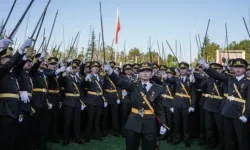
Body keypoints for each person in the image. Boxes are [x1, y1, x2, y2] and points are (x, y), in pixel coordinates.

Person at [104, 62, 167, 150]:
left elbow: (160, 109)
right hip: (134, 121)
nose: (145, 73)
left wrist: (163, 124)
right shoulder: (133, 85)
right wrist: (110, 72)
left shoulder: (158, 89)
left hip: (150, 123)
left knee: (149, 147)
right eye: (142, 71)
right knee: (131, 147)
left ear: (152, 74)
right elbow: (120, 81)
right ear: (138, 74)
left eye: (148, 71)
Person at [199, 58, 250, 150]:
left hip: (240, 114)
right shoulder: (230, 79)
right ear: (233, 69)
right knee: (229, 139)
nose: (238, 69)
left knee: (242, 139)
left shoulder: (248, 82)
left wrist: (246, 115)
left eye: (241, 67)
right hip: (227, 112)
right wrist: (206, 66)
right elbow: (217, 75)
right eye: (235, 67)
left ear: (245, 69)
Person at [0, 38, 33, 150]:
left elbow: (18, 66)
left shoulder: (12, 74)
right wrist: (20, 49)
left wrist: (24, 54)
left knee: (12, 137)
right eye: (6, 59)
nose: (9, 60)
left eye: (10, 58)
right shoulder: (2, 71)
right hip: (5, 109)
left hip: (15, 109)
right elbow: (9, 65)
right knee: (4, 138)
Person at [163, 62, 196, 147]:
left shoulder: (191, 79)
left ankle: (186, 140)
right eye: (181, 69)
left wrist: (192, 105)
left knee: (186, 123)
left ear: (187, 70)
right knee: (176, 122)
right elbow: (169, 80)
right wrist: (165, 77)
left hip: (186, 104)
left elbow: (193, 93)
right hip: (176, 104)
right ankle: (176, 139)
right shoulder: (176, 79)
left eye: (184, 68)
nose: (182, 70)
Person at [61, 59, 85, 146]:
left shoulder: (79, 78)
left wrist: (82, 102)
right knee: (67, 121)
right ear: (69, 69)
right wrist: (64, 73)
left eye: (75, 68)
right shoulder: (66, 77)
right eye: (72, 68)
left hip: (77, 101)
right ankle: (66, 138)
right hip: (68, 101)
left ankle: (77, 138)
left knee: (77, 121)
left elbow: (82, 88)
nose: (74, 70)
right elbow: (61, 81)